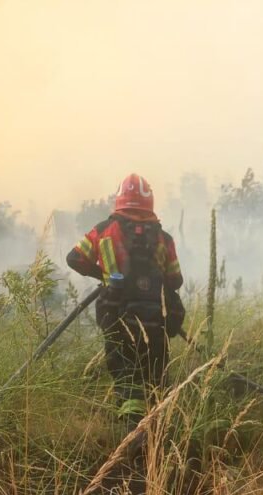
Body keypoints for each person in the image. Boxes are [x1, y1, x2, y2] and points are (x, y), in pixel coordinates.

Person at [67, 174, 185, 429]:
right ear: (150, 202)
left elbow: (74, 259)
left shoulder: (103, 230)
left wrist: (105, 276)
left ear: (119, 200)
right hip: (157, 320)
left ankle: (131, 429)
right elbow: (175, 280)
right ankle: (159, 430)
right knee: (155, 376)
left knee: (125, 375)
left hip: (116, 314)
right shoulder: (164, 238)